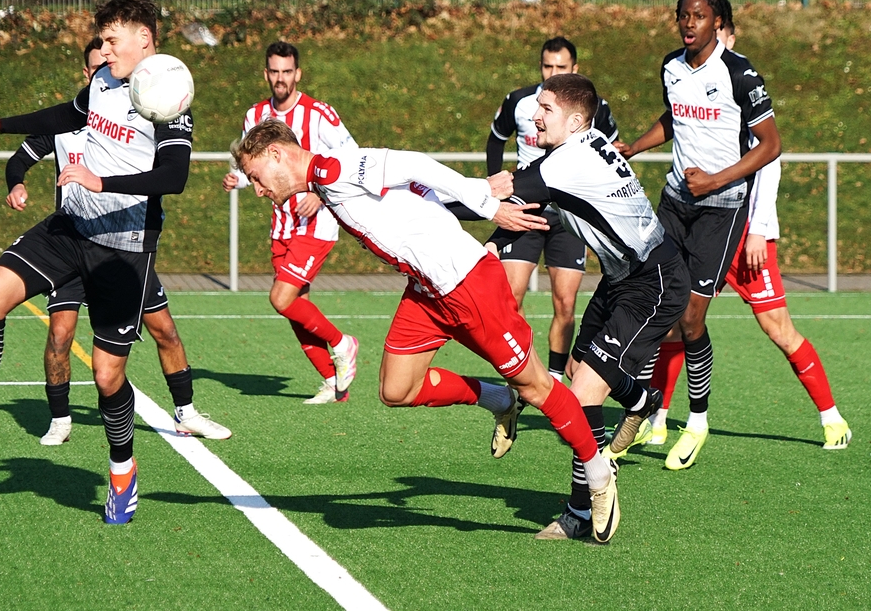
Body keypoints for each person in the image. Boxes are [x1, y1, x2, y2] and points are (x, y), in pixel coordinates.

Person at [232, 118, 622, 543]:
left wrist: (486, 203)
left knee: (538, 387)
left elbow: (415, 165)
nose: (258, 189)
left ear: (276, 154)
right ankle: (498, 399)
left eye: (256, 176)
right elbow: (415, 190)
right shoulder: (323, 181)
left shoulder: (333, 168)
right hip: (427, 292)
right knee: (396, 389)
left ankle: (598, 477)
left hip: (469, 285)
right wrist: (475, 191)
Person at [0, 0, 191, 525]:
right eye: (103, 41)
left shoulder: (170, 91)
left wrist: (101, 180)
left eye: (112, 40)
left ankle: (122, 471)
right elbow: (67, 114)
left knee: (107, 377)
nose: (104, 50)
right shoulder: (103, 81)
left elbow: (174, 177)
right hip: (70, 227)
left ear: (144, 38)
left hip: (123, 247)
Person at [485, 73, 685, 540]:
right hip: (622, 278)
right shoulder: (585, 143)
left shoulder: (566, 161)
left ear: (575, 121)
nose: (534, 116)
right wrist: (496, 238)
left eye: (546, 109)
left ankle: (581, 509)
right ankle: (641, 399)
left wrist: (415, 196)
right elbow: (529, 206)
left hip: (652, 282)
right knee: (577, 370)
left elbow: (493, 197)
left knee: (583, 395)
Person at [4, 37, 230, 446]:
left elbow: (171, 172)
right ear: (87, 73)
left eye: (109, 62)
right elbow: (19, 158)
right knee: (60, 335)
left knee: (165, 331)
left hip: (122, 247)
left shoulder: (139, 112)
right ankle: (60, 418)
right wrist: (16, 182)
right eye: (97, 66)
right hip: (72, 242)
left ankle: (187, 413)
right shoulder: (69, 121)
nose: (104, 71)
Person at [647, 11, 851, 451]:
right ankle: (658, 418)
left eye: (718, 32)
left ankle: (831, 416)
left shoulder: (744, 92)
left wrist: (758, 230)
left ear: (729, 37)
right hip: (705, 225)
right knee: (677, 322)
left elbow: (769, 164)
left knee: (778, 328)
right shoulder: (694, 88)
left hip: (745, 236)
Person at [616, 0, 782, 470]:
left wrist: (716, 180)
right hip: (675, 202)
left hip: (722, 208)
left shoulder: (740, 73)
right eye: (683, 15)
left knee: (690, 318)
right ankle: (646, 412)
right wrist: (635, 146)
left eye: (699, 15)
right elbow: (674, 118)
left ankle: (698, 422)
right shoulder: (671, 66)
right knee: (656, 301)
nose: (689, 23)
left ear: (718, 22)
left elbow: (770, 145)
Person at [222, 41, 358, 405]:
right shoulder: (255, 115)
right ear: (266, 74)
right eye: (274, 71)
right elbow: (251, 166)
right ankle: (334, 383)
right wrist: (239, 179)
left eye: (287, 71)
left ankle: (343, 343)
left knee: (281, 298)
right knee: (296, 307)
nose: (281, 78)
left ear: (297, 73)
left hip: (316, 222)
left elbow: (351, 159)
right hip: (281, 225)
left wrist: (321, 193)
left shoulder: (319, 113)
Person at [486, 36, 620, 382]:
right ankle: (524, 376)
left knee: (565, 303)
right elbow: (496, 138)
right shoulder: (521, 102)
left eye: (561, 67)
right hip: (525, 209)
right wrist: (495, 188)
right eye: (548, 66)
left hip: (568, 217)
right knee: (511, 298)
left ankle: (555, 379)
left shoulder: (594, 108)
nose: (553, 72)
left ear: (575, 68)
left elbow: (610, 152)